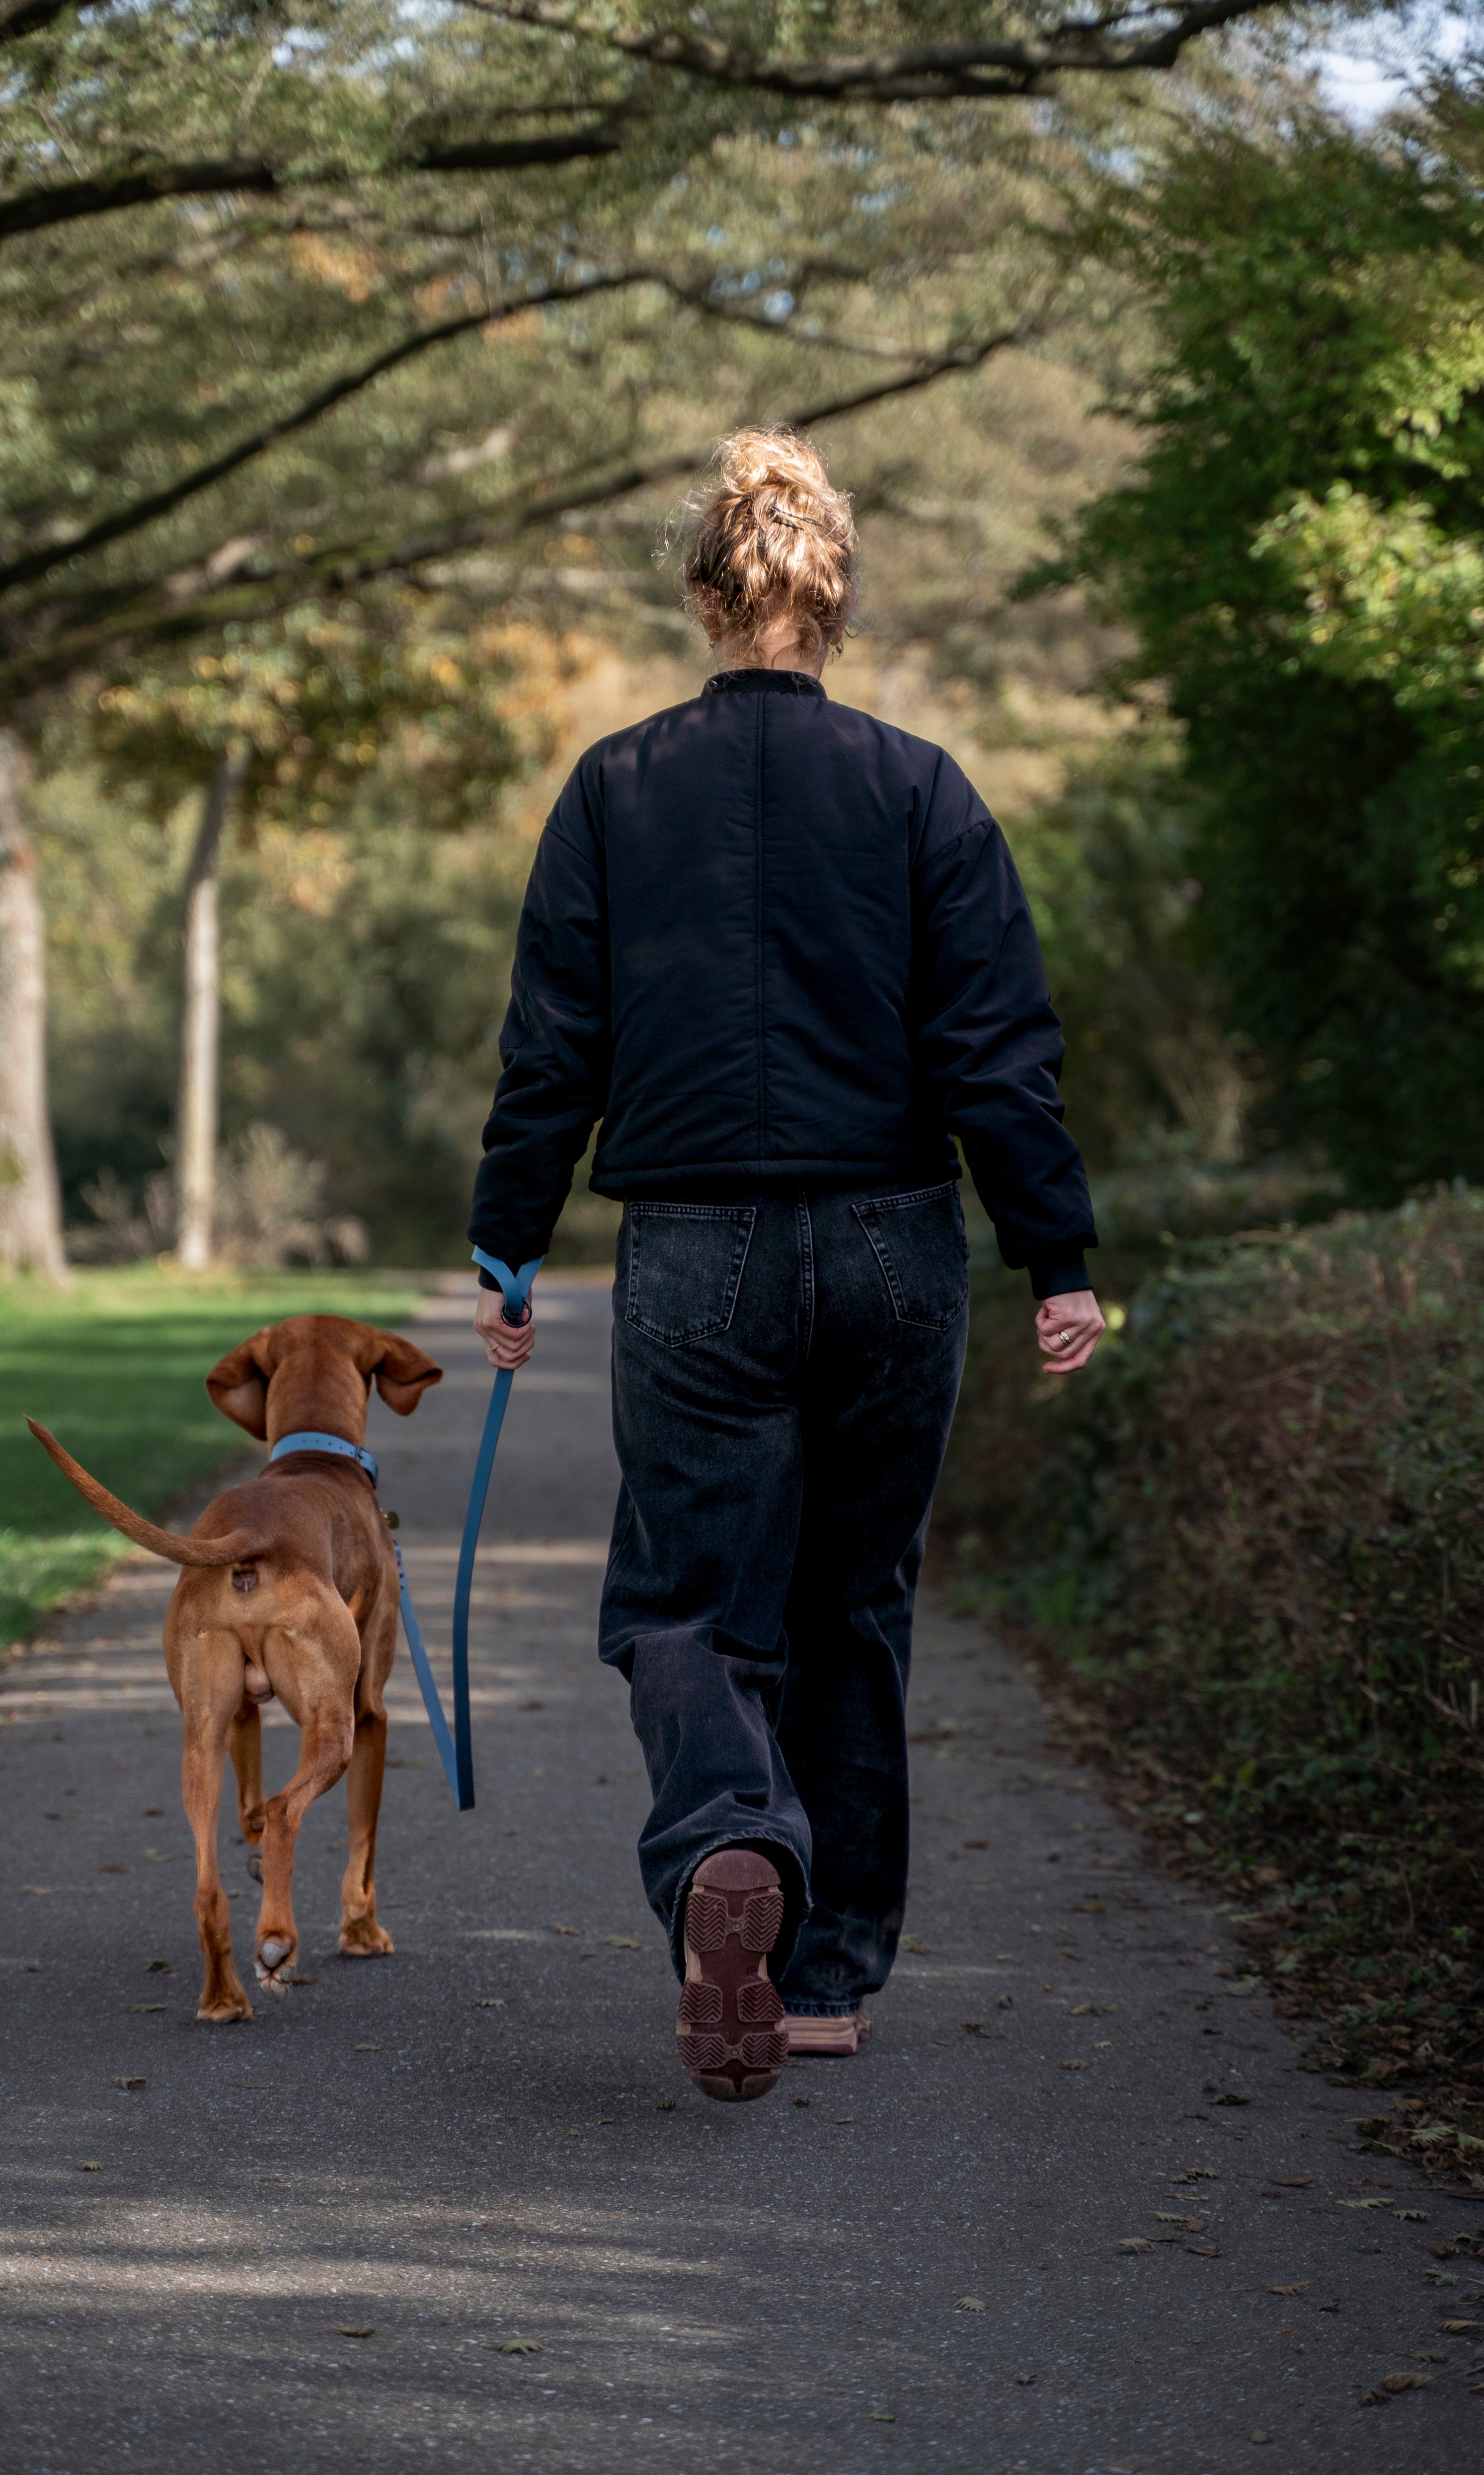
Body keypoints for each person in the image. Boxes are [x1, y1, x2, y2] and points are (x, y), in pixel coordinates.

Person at [468, 427, 1103, 2102]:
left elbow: (554, 1050)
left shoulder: (615, 786)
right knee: (856, 1606)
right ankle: (822, 1980)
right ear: (835, 602)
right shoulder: (924, 789)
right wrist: (1057, 1254)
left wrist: (509, 1247)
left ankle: (732, 1844)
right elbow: (997, 1053)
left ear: (706, 591)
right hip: (897, 1238)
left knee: (688, 1600)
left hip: (693, 1250)